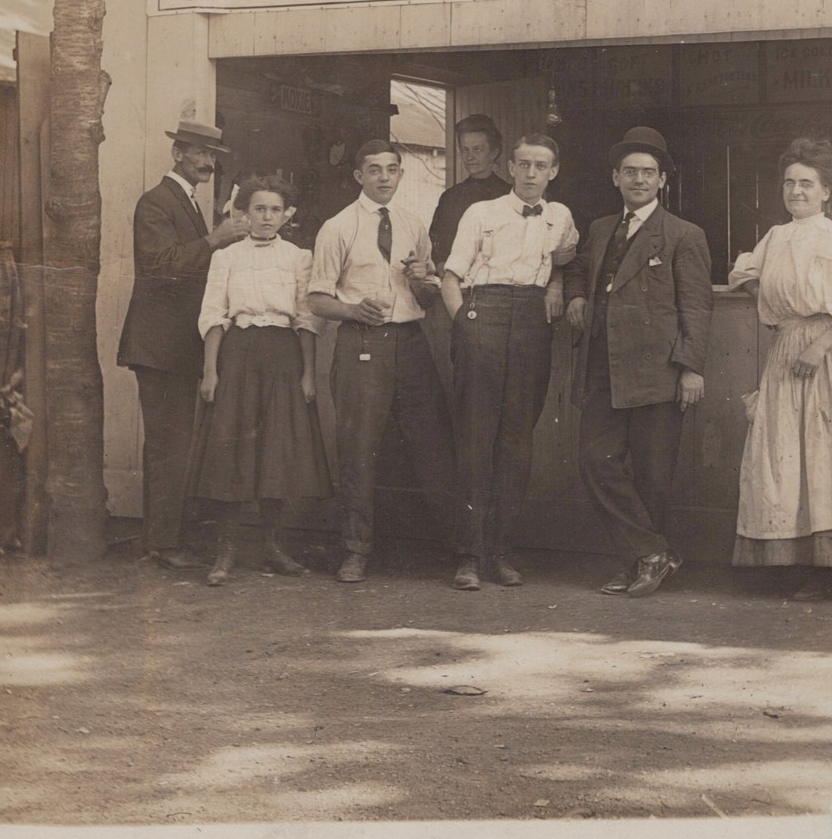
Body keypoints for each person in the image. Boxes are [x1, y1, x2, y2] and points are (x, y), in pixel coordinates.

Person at [728, 137, 832, 600]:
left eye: (807, 184)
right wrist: (779, 310)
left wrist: (817, 343)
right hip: (789, 350)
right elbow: (744, 274)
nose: (796, 192)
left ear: (827, 191)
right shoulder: (776, 237)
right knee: (788, 453)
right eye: (789, 183)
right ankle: (797, 560)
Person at [564, 127, 713, 597]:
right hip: (603, 367)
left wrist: (691, 367)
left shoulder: (684, 235)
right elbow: (578, 267)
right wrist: (570, 296)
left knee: (653, 475)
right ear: (615, 177)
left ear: (662, 181)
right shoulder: (602, 228)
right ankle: (651, 553)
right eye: (630, 171)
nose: (639, 180)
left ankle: (641, 565)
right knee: (594, 461)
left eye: (649, 172)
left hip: (658, 370)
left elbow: (696, 306)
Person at [308, 140, 455, 584]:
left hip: (410, 341)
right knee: (358, 448)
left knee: (433, 443)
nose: (384, 177)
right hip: (360, 342)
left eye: (392, 169)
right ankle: (355, 550)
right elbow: (316, 298)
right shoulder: (337, 227)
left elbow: (428, 296)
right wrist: (352, 310)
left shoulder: (412, 225)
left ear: (400, 174)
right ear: (359, 176)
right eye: (374, 170)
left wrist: (422, 280)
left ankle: (456, 547)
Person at [441, 134, 579, 590]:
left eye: (541, 165)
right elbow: (450, 277)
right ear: (512, 167)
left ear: (553, 171)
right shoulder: (480, 212)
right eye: (524, 164)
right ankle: (467, 556)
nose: (531, 173)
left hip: (531, 323)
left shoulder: (560, 216)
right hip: (483, 312)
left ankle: (500, 554)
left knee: (517, 442)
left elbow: (566, 259)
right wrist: (465, 324)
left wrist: (556, 286)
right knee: (476, 437)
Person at [185, 176, 333, 586]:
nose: (266, 217)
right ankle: (226, 550)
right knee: (232, 451)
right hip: (238, 354)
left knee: (277, 451)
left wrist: (307, 373)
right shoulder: (227, 258)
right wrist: (211, 371)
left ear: (288, 215)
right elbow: (214, 313)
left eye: (274, 210)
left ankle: (272, 546)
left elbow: (306, 318)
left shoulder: (299, 257)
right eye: (258, 209)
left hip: (283, 356)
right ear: (245, 213)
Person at [117, 118, 248, 568]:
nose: (208, 162)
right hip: (159, 347)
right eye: (199, 153)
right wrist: (214, 239)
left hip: (176, 345)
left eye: (212, 156)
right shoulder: (155, 202)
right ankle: (163, 543)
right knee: (168, 443)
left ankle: (164, 537)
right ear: (177, 155)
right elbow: (159, 265)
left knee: (171, 443)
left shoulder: (188, 202)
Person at [429, 114, 510, 270]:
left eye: (478, 150)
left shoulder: (510, 196)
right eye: (465, 150)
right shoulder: (450, 197)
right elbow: (435, 242)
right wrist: (441, 267)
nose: (470, 157)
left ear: (494, 152)